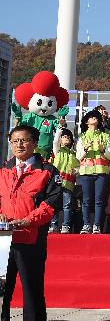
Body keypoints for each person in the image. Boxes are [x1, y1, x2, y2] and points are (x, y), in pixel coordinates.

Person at [0, 126, 61, 321]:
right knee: (2, 292)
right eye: (15, 140)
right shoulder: (3, 170)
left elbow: (51, 204)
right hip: (3, 240)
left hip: (31, 239)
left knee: (32, 291)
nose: (19, 144)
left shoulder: (47, 171)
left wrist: (28, 220)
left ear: (34, 143)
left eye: (24, 140)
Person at [76, 109, 110, 234]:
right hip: (86, 172)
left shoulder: (105, 136)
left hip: (101, 172)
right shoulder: (82, 137)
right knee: (86, 200)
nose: (94, 118)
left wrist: (103, 150)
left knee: (99, 200)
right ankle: (86, 225)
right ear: (87, 122)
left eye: (96, 117)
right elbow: (78, 156)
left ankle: (96, 225)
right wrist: (85, 149)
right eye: (91, 117)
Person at [49, 127, 79, 234]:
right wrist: (59, 129)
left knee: (67, 205)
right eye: (64, 137)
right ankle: (54, 225)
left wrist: (76, 171)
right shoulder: (58, 150)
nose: (66, 139)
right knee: (55, 204)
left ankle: (66, 226)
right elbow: (55, 141)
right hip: (57, 183)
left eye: (68, 137)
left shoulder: (74, 154)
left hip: (69, 183)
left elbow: (78, 167)